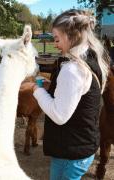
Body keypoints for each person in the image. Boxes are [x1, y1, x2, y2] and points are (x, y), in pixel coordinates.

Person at [31, 9, 110, 180]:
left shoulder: (72, 69)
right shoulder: (91, 59)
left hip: (71, 151)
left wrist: (37, 91)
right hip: (79, 145)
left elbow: (59, 115)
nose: (55, 43)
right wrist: (52, 87)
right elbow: (82, 95)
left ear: (71, 36)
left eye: (57, 38)